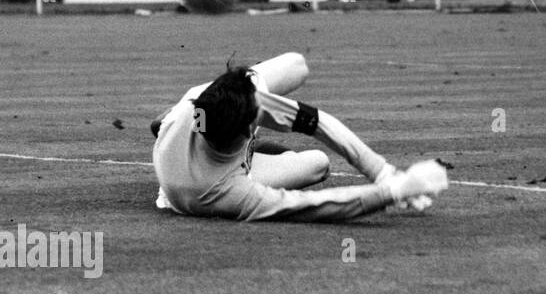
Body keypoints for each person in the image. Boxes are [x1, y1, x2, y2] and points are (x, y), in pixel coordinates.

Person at [151, 52, 448, 221]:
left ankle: (167, 120)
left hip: (191, 131)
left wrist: (381, 171)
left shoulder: (201, 102)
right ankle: (254, 152)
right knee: (317, 164)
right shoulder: (226, 194)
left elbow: (317, 122)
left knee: (296, 65)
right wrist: (394, 191)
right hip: (206, 178)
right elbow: (311, 206)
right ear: (247, 129)